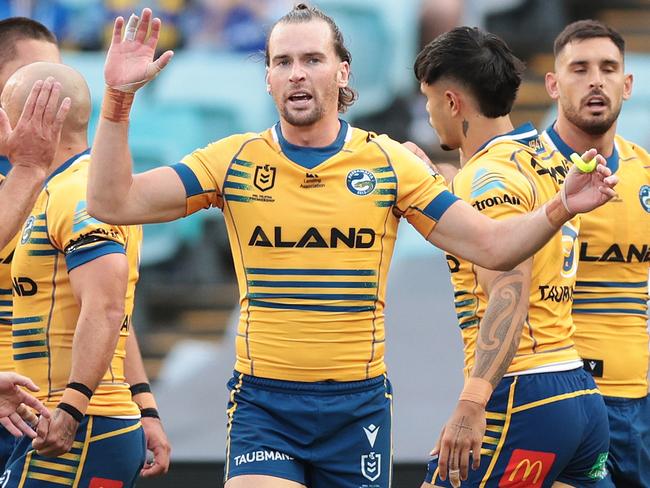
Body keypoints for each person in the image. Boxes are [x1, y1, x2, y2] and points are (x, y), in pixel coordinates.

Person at [86, 5, 617, 487]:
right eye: (283, 61)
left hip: (357, 409)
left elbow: (495, 248)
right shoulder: (231, 161)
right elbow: (115, 202)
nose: (297, 72)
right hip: (264, 405)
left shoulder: (389, 162)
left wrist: (559, 208)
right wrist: (117, 101)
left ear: (342, 72)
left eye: (313, 58)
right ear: (268, 78)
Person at [414, 26, 610, 488]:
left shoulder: (487, 178)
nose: (426, 113)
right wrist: (437, 180)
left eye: (427, 100)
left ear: (451, 102)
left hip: (521, 395)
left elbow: (508, 287)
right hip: (578, 395)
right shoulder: (544, 156)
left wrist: (471, 403)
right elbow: (498, 217)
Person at [0, 17, 171, 478]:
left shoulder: (74, 191)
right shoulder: (39, 181)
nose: (49, 89)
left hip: (43, 411)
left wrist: (142, 403)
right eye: (33, 78)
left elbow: (107, 307)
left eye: (56, 73)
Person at [542, 19, 650, 487]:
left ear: (627, 84)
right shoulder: (521, 167)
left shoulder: (645, 171)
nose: (595, 80)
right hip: (559, 404)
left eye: (608, 68)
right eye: (579, 68)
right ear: (552, 83)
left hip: (638, 404)